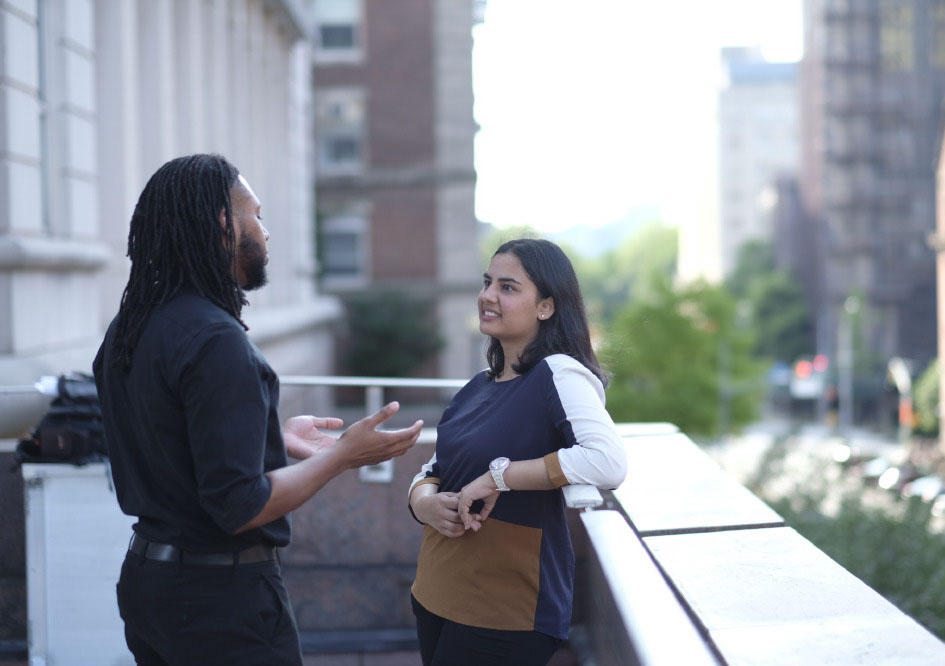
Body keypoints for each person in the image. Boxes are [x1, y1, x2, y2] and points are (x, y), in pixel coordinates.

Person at [92, 153, 423, 666]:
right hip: (219, 602)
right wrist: (342, 457)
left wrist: (269, 433)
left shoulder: (127, 330)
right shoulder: (216, 341)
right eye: (258, 215)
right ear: (226, 223)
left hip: (149, 586)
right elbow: (240, 505)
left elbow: (172, 439)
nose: (266, 233)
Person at [406, 238, 627, 666]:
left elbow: (607, 461)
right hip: (436, 588)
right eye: (488, 283)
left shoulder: (559, 373)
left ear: (546, 306)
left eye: (508, 287)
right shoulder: (477, 386)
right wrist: (423, 502)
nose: (488, 295)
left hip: (505, 608)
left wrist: (498, 477)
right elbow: (436, 465)